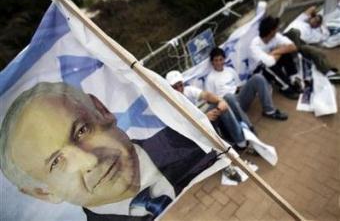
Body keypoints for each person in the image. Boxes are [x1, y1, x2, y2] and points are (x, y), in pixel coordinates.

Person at [0, 82, 218, 221]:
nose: (89, 161)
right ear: (44, 193)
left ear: (101, 110)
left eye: (82, 130)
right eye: (56, 163)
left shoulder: (191, 138)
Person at [165, 70, 252, 150]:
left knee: (224, 101)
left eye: (180, 84)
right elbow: (185, 125)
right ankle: (234, 141)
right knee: (224, 102)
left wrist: (221, 101)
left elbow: (206, 95)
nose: (179, 89)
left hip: (201, 121)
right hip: (193, 131)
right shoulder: (171, 103)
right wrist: (204, 118)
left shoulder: (188, 90)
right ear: (170, 88)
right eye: (175, 87)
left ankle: (241, 140)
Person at [206, 47, 288, 121]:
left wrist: (250, 89)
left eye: (221, 59)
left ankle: (269, 111)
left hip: (239, 99)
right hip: (227, 106)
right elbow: (210, 100)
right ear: (212, 62)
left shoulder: (230, 70)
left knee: (257, 77)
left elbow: (238, 87)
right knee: (229, 96)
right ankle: (245, 125)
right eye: (216, 60)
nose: (219, 63)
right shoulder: (210, 78)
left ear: (224, 59)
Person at [250, 16, 301, 99]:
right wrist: (280, 49)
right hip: (261, 72)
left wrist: (275, 51)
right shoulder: (255, 45)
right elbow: (269, 62)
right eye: (276, 28)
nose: (277, 30)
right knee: (268, 66)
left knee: (285, 53)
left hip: (272, 62)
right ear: (271, 31)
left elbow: (293, 47)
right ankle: (286, 87)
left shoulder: (276, 36)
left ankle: (293, 79)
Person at [284, 6, 339, 80]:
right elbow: (312, 8)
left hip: (300, 44)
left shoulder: (315, 34)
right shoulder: (301, 20)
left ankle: (328, 73)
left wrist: (321, 24)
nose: (314, 21)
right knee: (295, 32)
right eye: (314, 19)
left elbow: (326, 35)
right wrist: (314, 15)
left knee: (317, 52)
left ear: (318, 25)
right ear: (311, 17)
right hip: (287, 37)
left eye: (317, 22)